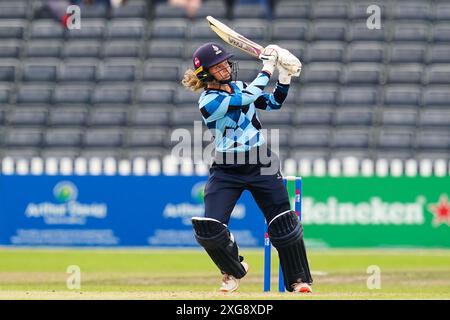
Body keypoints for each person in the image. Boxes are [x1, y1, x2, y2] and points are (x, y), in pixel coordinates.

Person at [182, 42, 313, 293]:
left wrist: (284, 78)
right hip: (226, 168)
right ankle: (233, 270)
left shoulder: (240, 86)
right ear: (206, 74)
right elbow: (247, 98)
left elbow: (273, 103)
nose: (225, 68)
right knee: (209, 227)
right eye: (218, 67)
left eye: (225, 64)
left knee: (283, 223)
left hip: (261, 161)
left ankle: (298, 281)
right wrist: (267, 68)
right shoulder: (208, 101)